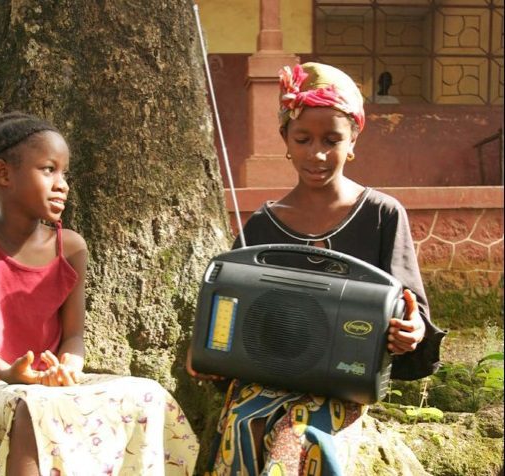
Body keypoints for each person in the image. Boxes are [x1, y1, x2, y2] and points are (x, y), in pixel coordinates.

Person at [188, 63, 445, 475]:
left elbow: (413, 310)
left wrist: (411, 333)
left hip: (341, 387)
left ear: (354, 139)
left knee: (301, 437)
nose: (317, 153)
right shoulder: (263, 223)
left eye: (332, 139)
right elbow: (229, 304)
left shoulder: (381, 216)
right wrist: (205, 349)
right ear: (285, 140)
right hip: (264, 379)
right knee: (243, 424)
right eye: (303, 138)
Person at [0, 112, 198, 475]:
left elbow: (74, 334)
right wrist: (8, 372)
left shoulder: (72, 247)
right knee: (32, 409)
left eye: (65, 173)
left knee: (148, 394)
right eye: (49, 169)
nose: (62, 184)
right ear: (3, 174)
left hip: (55, 384)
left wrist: (67, 367)